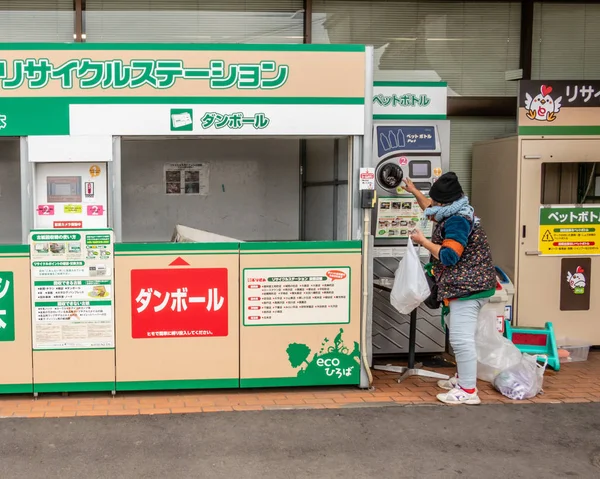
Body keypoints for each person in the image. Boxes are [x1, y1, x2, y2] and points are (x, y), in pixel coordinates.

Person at [403, 172, 496, 405]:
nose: (431, 204)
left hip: (468, 287)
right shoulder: (456, 209)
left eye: (434, 200)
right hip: (468, 285)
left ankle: (468, 391)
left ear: (444, 202)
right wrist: (414, 191)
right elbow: (430, 209)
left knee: (461, 340)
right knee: (460, 335)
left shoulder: (457, 221)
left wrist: (423, 242)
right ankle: (463, 379)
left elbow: (449, 255)